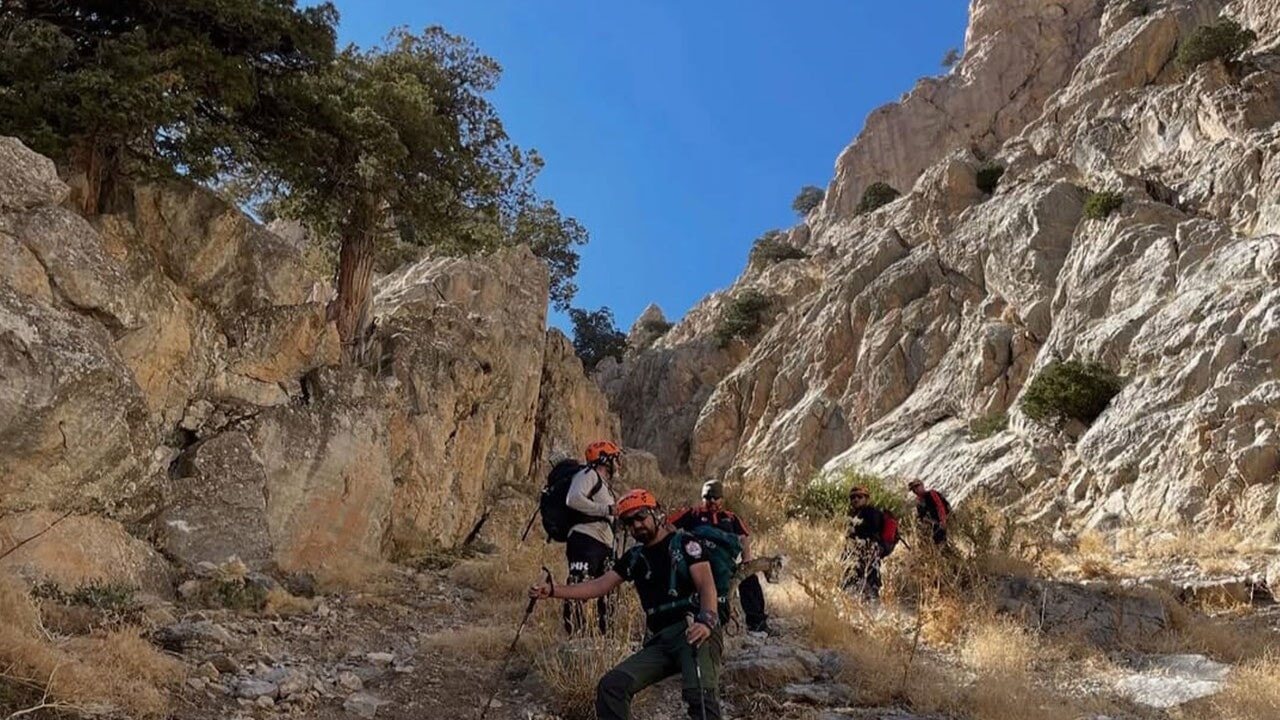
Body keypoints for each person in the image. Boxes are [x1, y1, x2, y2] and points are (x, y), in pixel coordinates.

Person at [529, 489, 724, 720]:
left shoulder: (685, 543)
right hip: (659, 641)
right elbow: (599, 586)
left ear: (656, 513)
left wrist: (707, 621)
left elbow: (706, 585)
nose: (636, 525)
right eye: (628, 522)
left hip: (693, 630)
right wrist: (553, 591)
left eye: (641, 517)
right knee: (612, 687)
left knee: (700, 699)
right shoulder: (634, 557)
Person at [668, 479, 772, 634]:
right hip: (698, 564)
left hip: (725, 565)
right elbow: (668, 526)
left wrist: (746, 561)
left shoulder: (730, 518)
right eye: (708, 497)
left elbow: (743, 538)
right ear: (702, 498)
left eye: (716, 497)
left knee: (750, 580)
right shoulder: (692, 514)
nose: (712, 501)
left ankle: (757, 624)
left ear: (722, 499)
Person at [562, 440, 620, 635]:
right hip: (585, 540)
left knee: (610, 589)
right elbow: (573, 498)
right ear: (605, 459)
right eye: (614, 459)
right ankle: (576, 636)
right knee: (579, 585)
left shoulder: (604, 485)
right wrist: (606, 509)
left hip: (604, 543)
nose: (616, 464)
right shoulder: (587, 475)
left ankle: (607, 635)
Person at [841, 486, 895, 600]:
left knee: (870, 583)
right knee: (850, 581)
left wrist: (856, 526)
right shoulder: (855, 513)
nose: (855, 499)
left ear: (866, 499)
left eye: (859, 497)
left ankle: (873, 610)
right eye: (852, 497)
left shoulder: (872, 512)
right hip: (855, 553)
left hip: (869, 553)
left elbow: (871, 532)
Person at [908, 479, 951, 545]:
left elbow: (940, 506)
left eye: (917, 486)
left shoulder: (931, 493)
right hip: (935, 527)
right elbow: (922, 518)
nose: (915, 490)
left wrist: (943, 521)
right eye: (913, 489)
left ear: (922, 485)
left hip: (945, 520)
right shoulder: (919, 504)